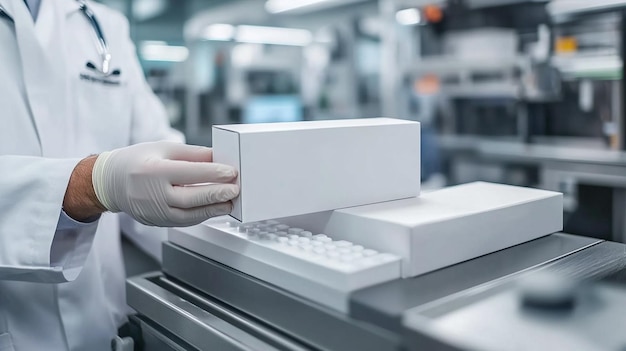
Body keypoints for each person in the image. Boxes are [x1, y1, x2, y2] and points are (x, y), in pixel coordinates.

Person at [0, 0, 239, 349]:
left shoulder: (104, 26)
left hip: (104, 330)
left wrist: (250, 238)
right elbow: (115, 180)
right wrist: (89, 184)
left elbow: (157, 165)